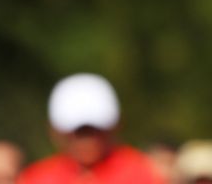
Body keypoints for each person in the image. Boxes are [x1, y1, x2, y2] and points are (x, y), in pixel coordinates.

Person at [18, 72, 165, 184]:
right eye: (79, 132)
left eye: (94, 130)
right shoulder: (38, 178)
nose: (87, 140)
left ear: (115, 125)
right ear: (54, 130)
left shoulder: (142, 174)